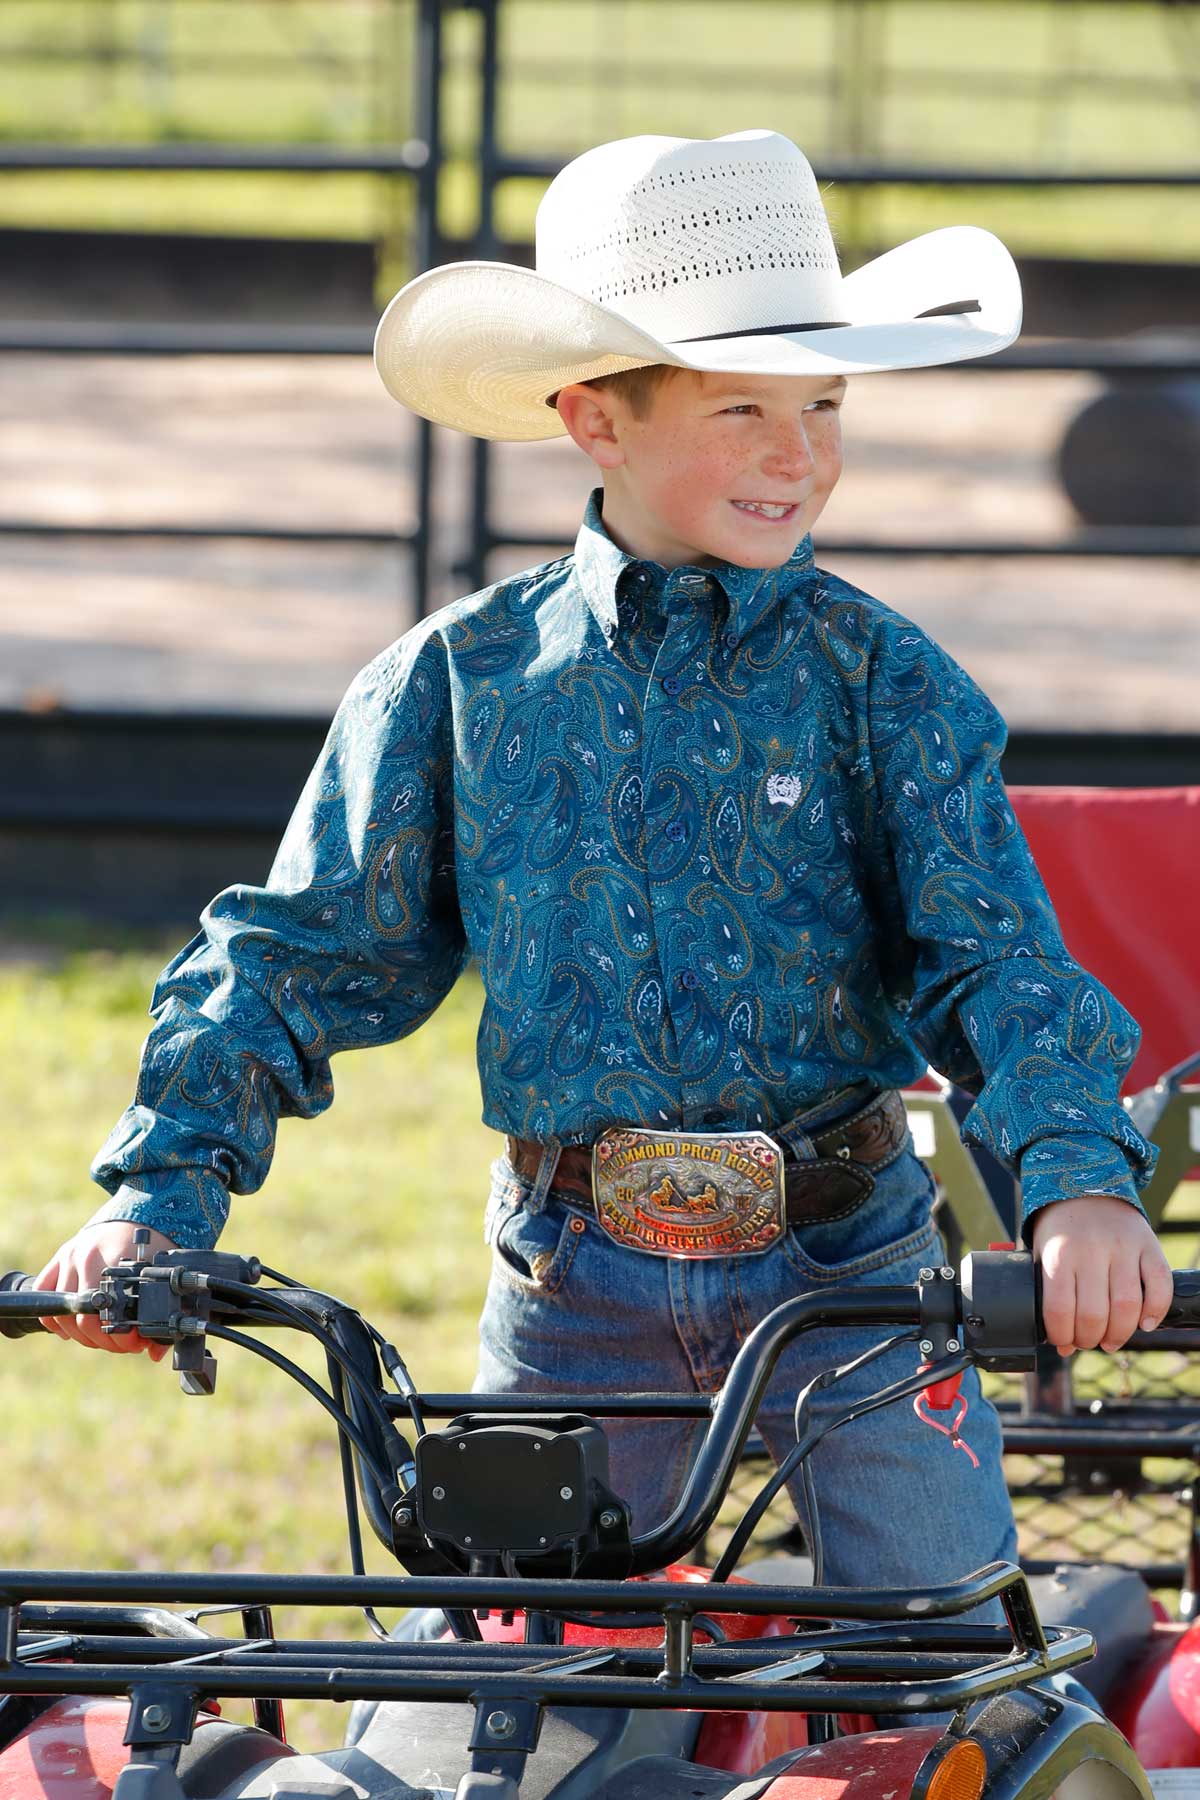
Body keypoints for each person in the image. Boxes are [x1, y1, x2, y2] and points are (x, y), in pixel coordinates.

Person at [35, 130, 1171, 1591]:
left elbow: (995, 959)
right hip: (577, 1277)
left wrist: (1076, 1180)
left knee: (948, 1650)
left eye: (824, 404)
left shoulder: (884, 684)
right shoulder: (460, 685)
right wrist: (157, 1195)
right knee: (516, 1682)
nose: (798, 453)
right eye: (742, 406)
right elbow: (298, 958)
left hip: (856, 1274)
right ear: (595, 420)